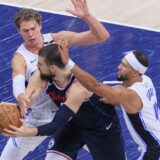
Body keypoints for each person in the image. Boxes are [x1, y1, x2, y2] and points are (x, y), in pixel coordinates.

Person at [0, 0, 110, 160]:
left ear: (40, 26)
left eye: (33, 28)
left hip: (71, 110)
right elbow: (17, 78)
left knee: (111, 154)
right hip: (39, 116)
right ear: (19, 31)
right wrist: (20, 96)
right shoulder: (20, 57)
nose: (30, 34)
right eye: (25, 30)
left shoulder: (58, 39)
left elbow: (101, 36)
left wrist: (87, 16)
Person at [3, 42, 125, 160]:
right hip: (73, 126)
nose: (36, 67)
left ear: (53, 68)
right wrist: (15, 107)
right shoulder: (41, 75)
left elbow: (55, 126)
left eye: (40, 64)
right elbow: (26, 101)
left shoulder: (78, 88)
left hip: (101, 129)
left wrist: (27, 132)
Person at [60, 47, 160, 160]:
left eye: (124, 66)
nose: (119, 67)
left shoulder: (127, 94)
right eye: (121, 63)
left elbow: (94, 86)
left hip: (154, 149)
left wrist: (68, 62)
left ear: (135, 73)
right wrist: (117, 101)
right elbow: (136, 106)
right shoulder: (146, 79)